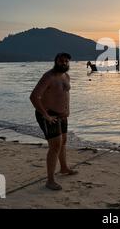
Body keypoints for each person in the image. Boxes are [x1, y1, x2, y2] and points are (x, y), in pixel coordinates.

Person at [30, 52, 78, 190]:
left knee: (63, 142)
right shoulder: (48, 77)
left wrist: (67, 111)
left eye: (66, 61)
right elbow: (34, 96)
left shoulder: (66, 76)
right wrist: (45, 115)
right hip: (49, 115)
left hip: (62, 116)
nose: (64, 63)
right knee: (55, 145)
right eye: (61, 61)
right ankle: (50, 180)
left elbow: (64, 95)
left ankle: (63, 168)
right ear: (55, 61)